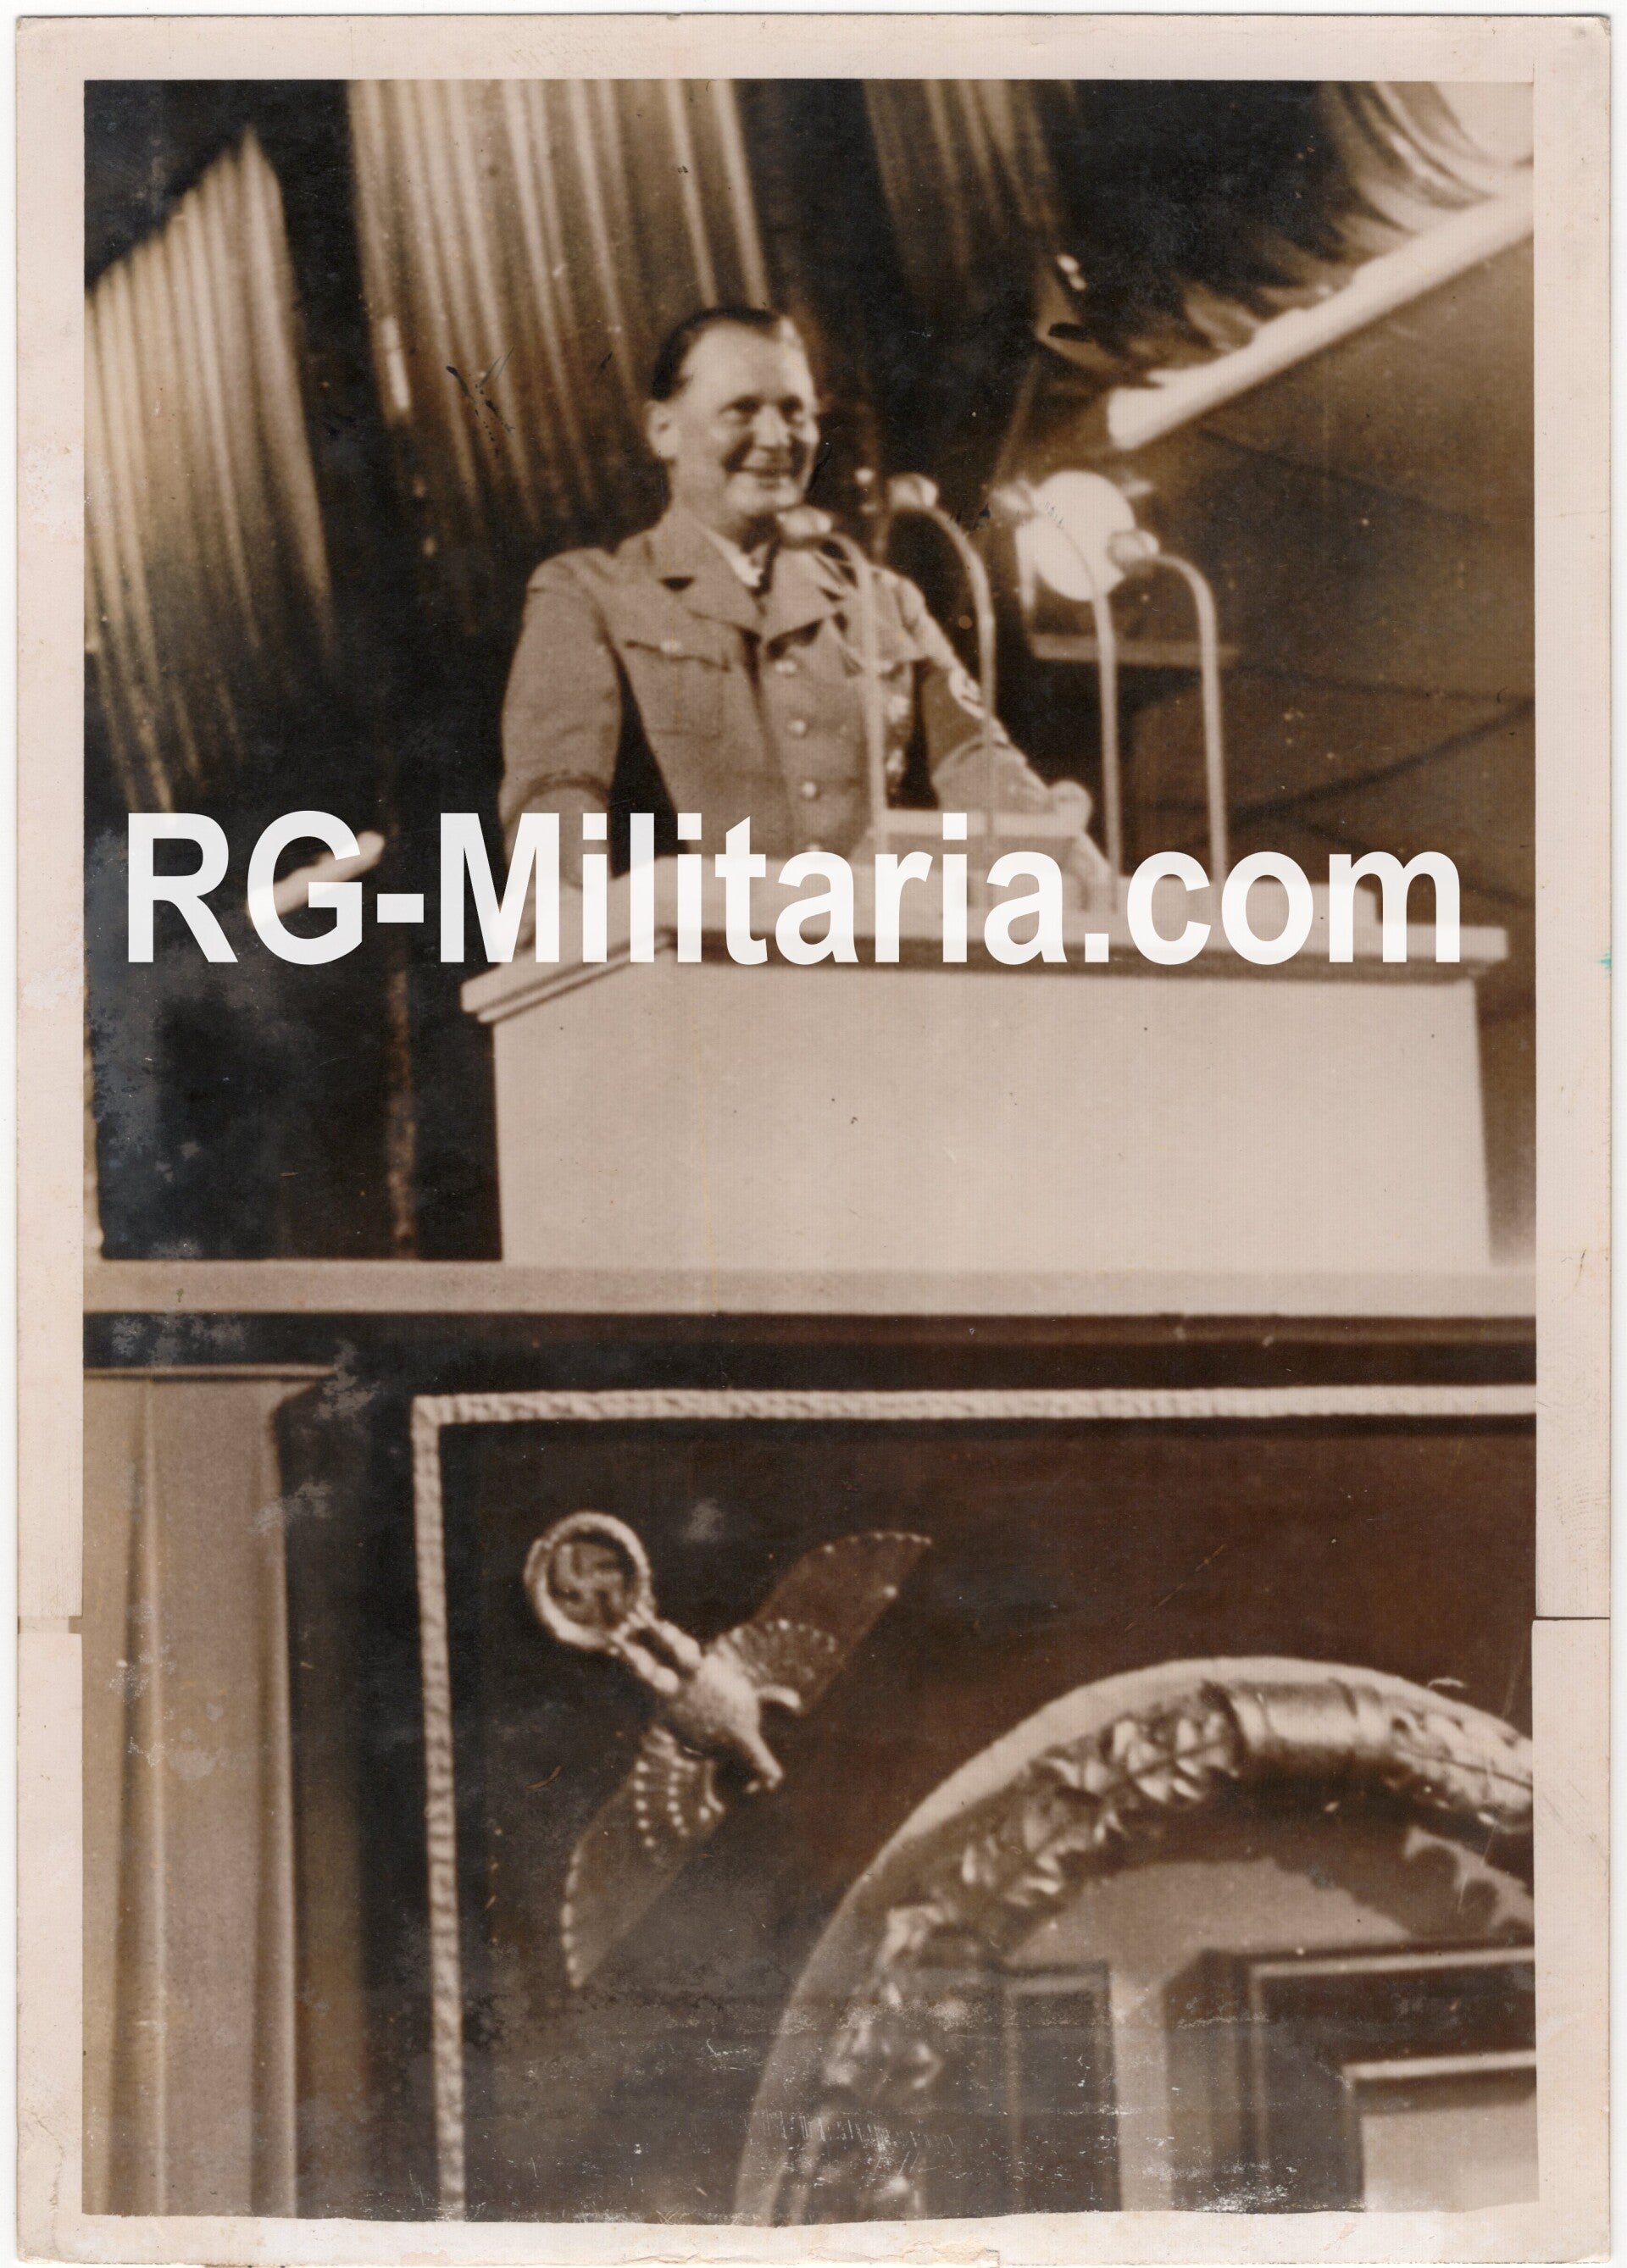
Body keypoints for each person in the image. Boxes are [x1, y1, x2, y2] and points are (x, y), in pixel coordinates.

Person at [499, 305, 1099, 877]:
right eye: (741, 409)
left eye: (795, 411)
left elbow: (978, 759)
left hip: (864, 961)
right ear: (663, 430)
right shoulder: (587, 593)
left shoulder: (882, 599)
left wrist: (1074, 865)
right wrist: (566, 930)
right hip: (695, 965)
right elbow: (556, 787)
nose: (776, 437)